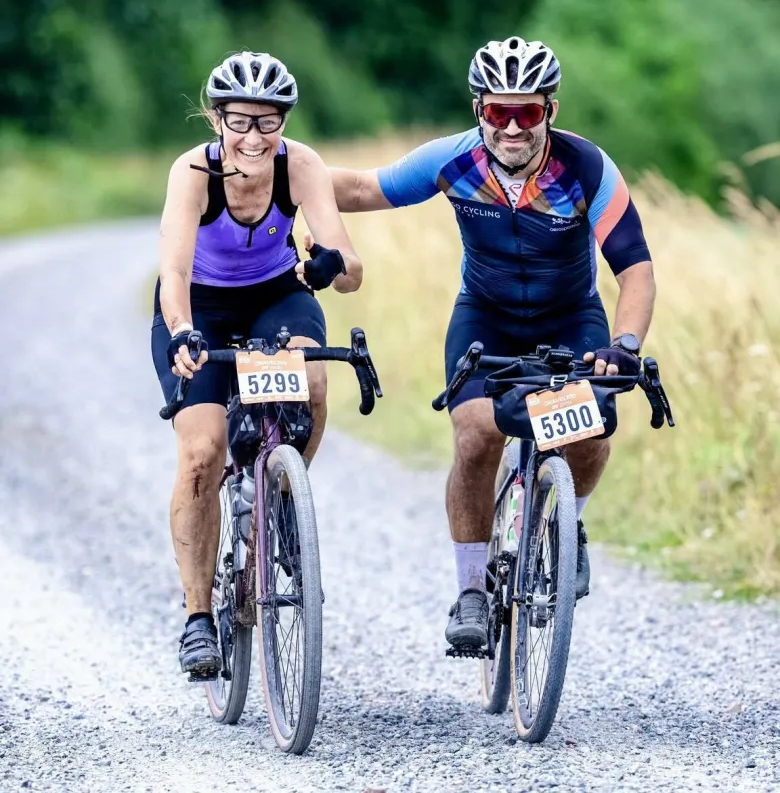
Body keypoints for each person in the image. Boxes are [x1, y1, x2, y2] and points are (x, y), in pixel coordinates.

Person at [329, 37, 654, 649]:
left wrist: (626, 343)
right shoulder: (454, 162)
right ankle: (473, 589)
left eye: (526, 112)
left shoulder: (587, 169)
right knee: (478, 435)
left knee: (589, 433)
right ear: (478, 109)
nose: (511, 127)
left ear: (549, 111)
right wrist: (274, 172)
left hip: (571, 319)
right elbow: (361, 189)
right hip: (486, 318)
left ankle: (567, 525)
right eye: (497, 112)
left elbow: (634, 269)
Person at [152, 50, 362, 678]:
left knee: (313, 381)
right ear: (217, 120)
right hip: (201, 308)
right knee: (202, 452)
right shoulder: (193, 172)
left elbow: (349, 269)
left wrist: (331, 264)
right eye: (240, 121)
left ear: (284, 123)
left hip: (276, 296)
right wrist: (184, 330)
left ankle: (282, 494)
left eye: (268, 123)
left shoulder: (302, 166)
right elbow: (174, 271)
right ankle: (196, 617)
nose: (253, 137)